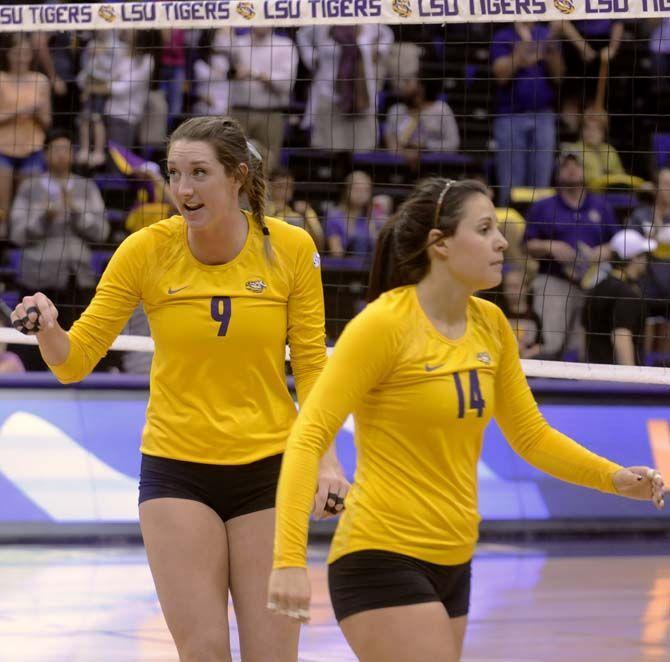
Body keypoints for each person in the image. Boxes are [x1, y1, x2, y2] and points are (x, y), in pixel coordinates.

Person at [266, 177, 665, 662]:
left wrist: (613, 478)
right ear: (440, 245)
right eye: (484, 229)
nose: (502, 242)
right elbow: (308, 436)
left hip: (454, 559)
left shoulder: (492, 325)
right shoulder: (383, 325)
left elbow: (531, 436)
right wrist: (288, 560)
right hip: (381, 555)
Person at [10, 116, 349, 661]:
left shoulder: (289, 249)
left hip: (269, 468)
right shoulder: (145, 250)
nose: (184, 190)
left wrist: (326, 462)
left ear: (238, 177)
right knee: (205, 651)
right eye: (174, 174)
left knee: (273, 654)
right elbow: (73, 363)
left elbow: (311, 368)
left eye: (199, 173)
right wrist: (49, 327)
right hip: (177, 469)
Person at [9, 129, 108, 371]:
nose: (62, 155)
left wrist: (75, 211)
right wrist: (44, 217)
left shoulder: (86, 188)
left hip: (78, 280)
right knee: (35, 346)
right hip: (38, 278)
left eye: (67, 149)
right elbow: (17, 234)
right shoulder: (29, 188)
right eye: (56, 149)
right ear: (45, 154)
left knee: (78, 346)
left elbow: (102, 231)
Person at [524, 149, 619, 359]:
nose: (571, 169)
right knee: (551, 344)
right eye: (566, 165)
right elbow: (527, 244)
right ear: (557, 172)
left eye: (576, 164)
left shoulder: (602, 206)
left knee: (580, 349)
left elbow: (617, 242)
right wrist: (551, 246)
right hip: (553, 280)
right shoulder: (543, 206)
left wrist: (602, 251)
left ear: (585, 171)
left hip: (592, 283)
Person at [490, 21, 563, 206]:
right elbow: (501, 75)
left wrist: (549, 48)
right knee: (511, 186)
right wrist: (524, 50)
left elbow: (559, 74)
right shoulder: (502, 36)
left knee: (541, 187)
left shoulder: (547, 34)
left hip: (544, 116)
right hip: (510, 117)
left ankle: (539, 232)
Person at [0, 33, 51, 234]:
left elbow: (47, 122)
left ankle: (20, 244)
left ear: (31, 55)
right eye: (17, 52)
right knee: (2, 207)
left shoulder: (41, 81)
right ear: (8, 54)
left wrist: (37, 114)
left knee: (27, 207)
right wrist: (19, 112)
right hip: (3, 148)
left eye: (25, 53)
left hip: (32, 148)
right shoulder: (1, 79)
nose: (21, 57)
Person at [583, 229, 655, 366]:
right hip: (615, 381)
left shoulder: (596, 288)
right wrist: (631, 382)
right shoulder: (627, 293)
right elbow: (621, 337)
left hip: (592, 375)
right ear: (635, 258)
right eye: (645, 255)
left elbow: (583, 335)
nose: (647, 260)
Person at [76, 30, 116, 168]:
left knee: (97, 118)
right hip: (88, 84)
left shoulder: (114, 46)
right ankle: (84, 149)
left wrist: (102, 55)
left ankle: (98, 151)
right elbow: (85, 65)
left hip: (101, 86)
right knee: (84, 118)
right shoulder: (91, 44)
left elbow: (113, 69)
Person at [267, 167, 324, 251]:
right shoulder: (264, 209)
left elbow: (320, 244)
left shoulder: (304, 211)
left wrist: (306, 216)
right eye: (280, 187)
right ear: (270, 187)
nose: (285, 191)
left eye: (289, 187)